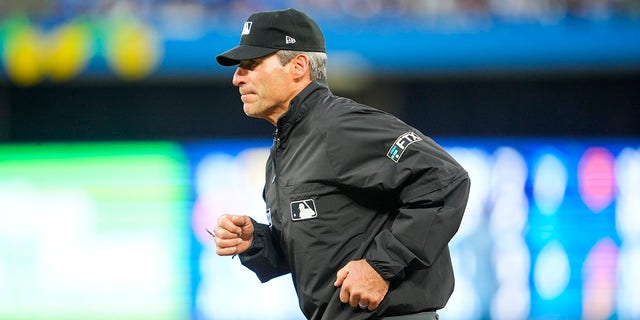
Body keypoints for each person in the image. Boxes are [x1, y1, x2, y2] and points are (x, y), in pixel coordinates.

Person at [212, 8, 470, 320]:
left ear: (298, 66)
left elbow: (446, 179)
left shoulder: (340, 126)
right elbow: (317, 249)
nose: (237, 77)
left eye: (251, 65)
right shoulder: (284, 150)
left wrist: (379, 266)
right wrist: (255, 241)